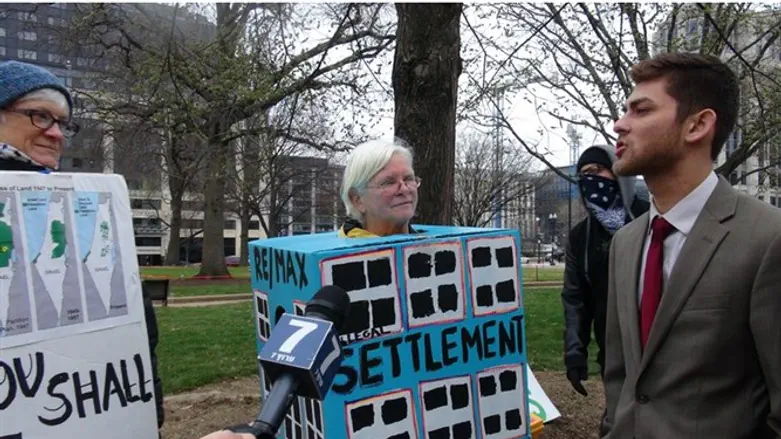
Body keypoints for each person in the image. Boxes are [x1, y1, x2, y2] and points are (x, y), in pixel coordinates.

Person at [602, 52, 781, 438]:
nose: (620, 124)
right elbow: (620, 377)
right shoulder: (626, 243)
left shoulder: (768, 238)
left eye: (641, 110)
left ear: (697, 125)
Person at [0, 61, 165, 431]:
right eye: (40, 116)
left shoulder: (84, 208)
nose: (57, 134)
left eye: (63, 123)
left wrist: (147, 419)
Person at [561, 145, 649, 397]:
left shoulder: (653, 217)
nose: (591, 179)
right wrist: (575, 353)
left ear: (618, 172)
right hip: (611, 352)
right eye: (584, 174)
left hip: (659, 347)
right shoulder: (580, 237)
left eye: (598, 170)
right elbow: (575, 299)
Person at [339, 138, 421, 238]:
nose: (404, 189)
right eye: (389, 182)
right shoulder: (344, 253)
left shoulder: (435, 245)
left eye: (408, 179)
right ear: (357, 200)